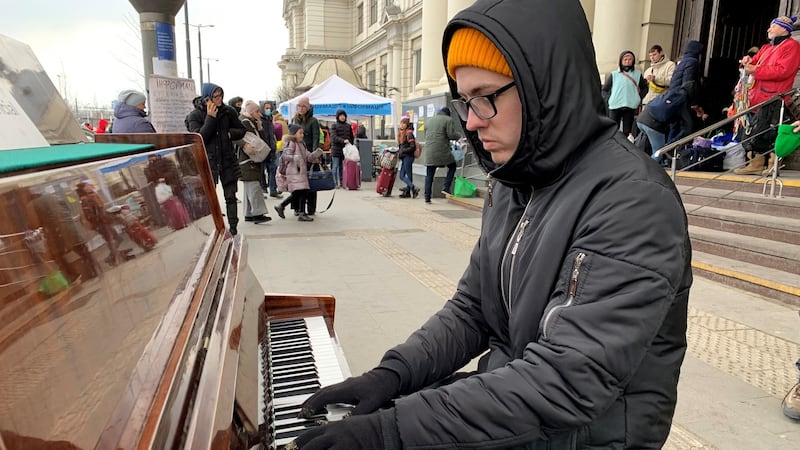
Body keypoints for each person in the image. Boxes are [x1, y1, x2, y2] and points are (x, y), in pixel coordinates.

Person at [289, 1, 692, 448]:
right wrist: (393, 374)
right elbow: (473, 309)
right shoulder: (516, 179)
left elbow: (566, 382)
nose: (473, 121)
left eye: (485, 97)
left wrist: (391, 431)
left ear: (544, 86)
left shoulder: (632, 199)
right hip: (515, 409)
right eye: (463, 102)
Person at [735, 16, 800, 175]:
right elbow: (753, 63)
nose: (768, 29)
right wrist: (746, 62)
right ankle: (755, 164)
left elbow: (783, 71)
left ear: (784, 29)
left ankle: (773, 164)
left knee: (771, 131)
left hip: (774, 97)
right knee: (752, 130)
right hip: (755, 97)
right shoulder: (766, 47)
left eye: (773, 26)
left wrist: (755, 70)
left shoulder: (792, 46)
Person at [186, 83, 246, 235]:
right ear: (207, 98)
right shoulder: (195, 115)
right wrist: (210, 118)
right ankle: (213, 229)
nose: (219, 99)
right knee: (209, 199)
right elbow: (200, 137)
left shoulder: (228, 111)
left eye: (221, 96)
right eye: (216, 96)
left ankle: (233, 229)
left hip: (227, 160)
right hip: (208, 161)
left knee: (231, 197)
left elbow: (241, 130)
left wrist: (229, 134)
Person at [275, 124, 321, 222]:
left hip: (300, 171)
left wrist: (315, 156)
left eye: (302, 133)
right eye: (300, 133)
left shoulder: (301, 144)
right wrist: (295, 157)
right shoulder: (291, 143)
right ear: (294, 134)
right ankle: (300, 212)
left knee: (300, 192)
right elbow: (285, 156)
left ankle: (283, 206)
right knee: (301, 191)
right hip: (294, 171)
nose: (302, 135)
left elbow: (307, 155)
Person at [238, 100, 273, 224]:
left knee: (249, 186)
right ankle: (258, 213)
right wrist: (244, 145)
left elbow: (261, 140)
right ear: (251, 112)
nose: (259, 113)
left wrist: (260, 128)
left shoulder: (251, 122)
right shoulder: (243, 122)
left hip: (248, 159)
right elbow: (235, 137)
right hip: (248, 159)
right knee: (254, 187)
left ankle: (248, 213)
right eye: (257, 111)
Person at [602, 50, 648, 141]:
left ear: (633, 61)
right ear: (621, 61)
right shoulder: (614, 74)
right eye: (625, 59)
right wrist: (608, 99)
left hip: (630, 105)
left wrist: (638, 98)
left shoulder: (637, 74)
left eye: (630, 59)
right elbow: (605, 89)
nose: (627, 61)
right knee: (613, 129)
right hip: (615, 105)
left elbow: (644, 88)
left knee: (627, 131)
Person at [665, 40, 704, 145]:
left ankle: (667, 154)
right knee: (687, 128)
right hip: (683, 99)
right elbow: (689, 83)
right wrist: (694, 103)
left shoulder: (682, 61)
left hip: (674, 98)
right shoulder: (693, 62)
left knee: (674, 127)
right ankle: (669, 148)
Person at [422, 106, 462, 203]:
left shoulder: (429, 121)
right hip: (442, 151)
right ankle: (446, 187)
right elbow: (451, 135)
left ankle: (427, 197)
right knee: (452, 166)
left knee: (429, 174)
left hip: (429, 151)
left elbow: (426, 136)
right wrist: (459, 136)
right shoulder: (448, 120)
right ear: (448, 113)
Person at [292, 96, 321, 215]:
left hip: (309, 155)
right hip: (297, 155)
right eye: (299, 106)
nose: (301, 108)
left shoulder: (313, 121)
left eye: (304, 106)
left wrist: (315, 155)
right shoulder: (295, 120)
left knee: (311, 183)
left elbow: (316, 138)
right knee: (297, 182)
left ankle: (311, 208)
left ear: (308, 108)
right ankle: (297, 208)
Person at [259, 101, 281, 198]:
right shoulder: (259, 120)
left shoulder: (270, 119)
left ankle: (273, 190)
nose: (268, 110)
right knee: (261, 171)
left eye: (269, 108)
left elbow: (272, 135)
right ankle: (262, 188)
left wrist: (274, 146)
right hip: (263, 150)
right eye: (266, 108)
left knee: (273, 169)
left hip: (271, 150)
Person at [329, 109, 354, 188]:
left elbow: (351, 136)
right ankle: (334, 183)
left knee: (343, 167)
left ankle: (343, 182)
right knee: (335, 166)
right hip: (336, 149)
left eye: (343, 116)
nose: (342, 117)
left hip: (345, 150)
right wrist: (343, 141)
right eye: (341, 116)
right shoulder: (334, 125)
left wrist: (351, 145)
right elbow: (334, 137)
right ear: (338, 117)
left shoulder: (348, 126)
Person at [396, 117, 419, 198]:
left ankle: (412, 188)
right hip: (404, 156)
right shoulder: (402, 133)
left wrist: (403, 151)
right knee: (402, 175)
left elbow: (412, 147)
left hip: (408, 156)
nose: (401, 125)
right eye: (401, 123)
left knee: (405, 175)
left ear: (407, 124)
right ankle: (410, 190)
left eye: (403, 123)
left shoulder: (409, 134)